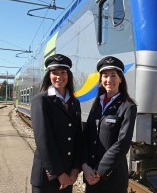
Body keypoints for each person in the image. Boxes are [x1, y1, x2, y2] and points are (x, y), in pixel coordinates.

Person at [82, 56, 137, 193]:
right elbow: (87, 136)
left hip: (112, 177)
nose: (109, 80)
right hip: (91, 174)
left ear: (120, 79)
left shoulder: (128, 106)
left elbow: (122, 143)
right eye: (105, 75)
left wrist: (99, 171)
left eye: (113, 75)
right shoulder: (96, 104)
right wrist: (85, 166)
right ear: (101, 79)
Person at [30, 54, 83, 193]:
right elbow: (43, 140)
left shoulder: (74, 102)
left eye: (63, 72)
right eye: (54, 73)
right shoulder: (41, 101)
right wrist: (59, 174)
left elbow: (78, 137)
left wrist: (75, 169)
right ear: (49, 75)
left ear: (68, 75)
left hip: (68, 176)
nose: (59, 77)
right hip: (47, 177)